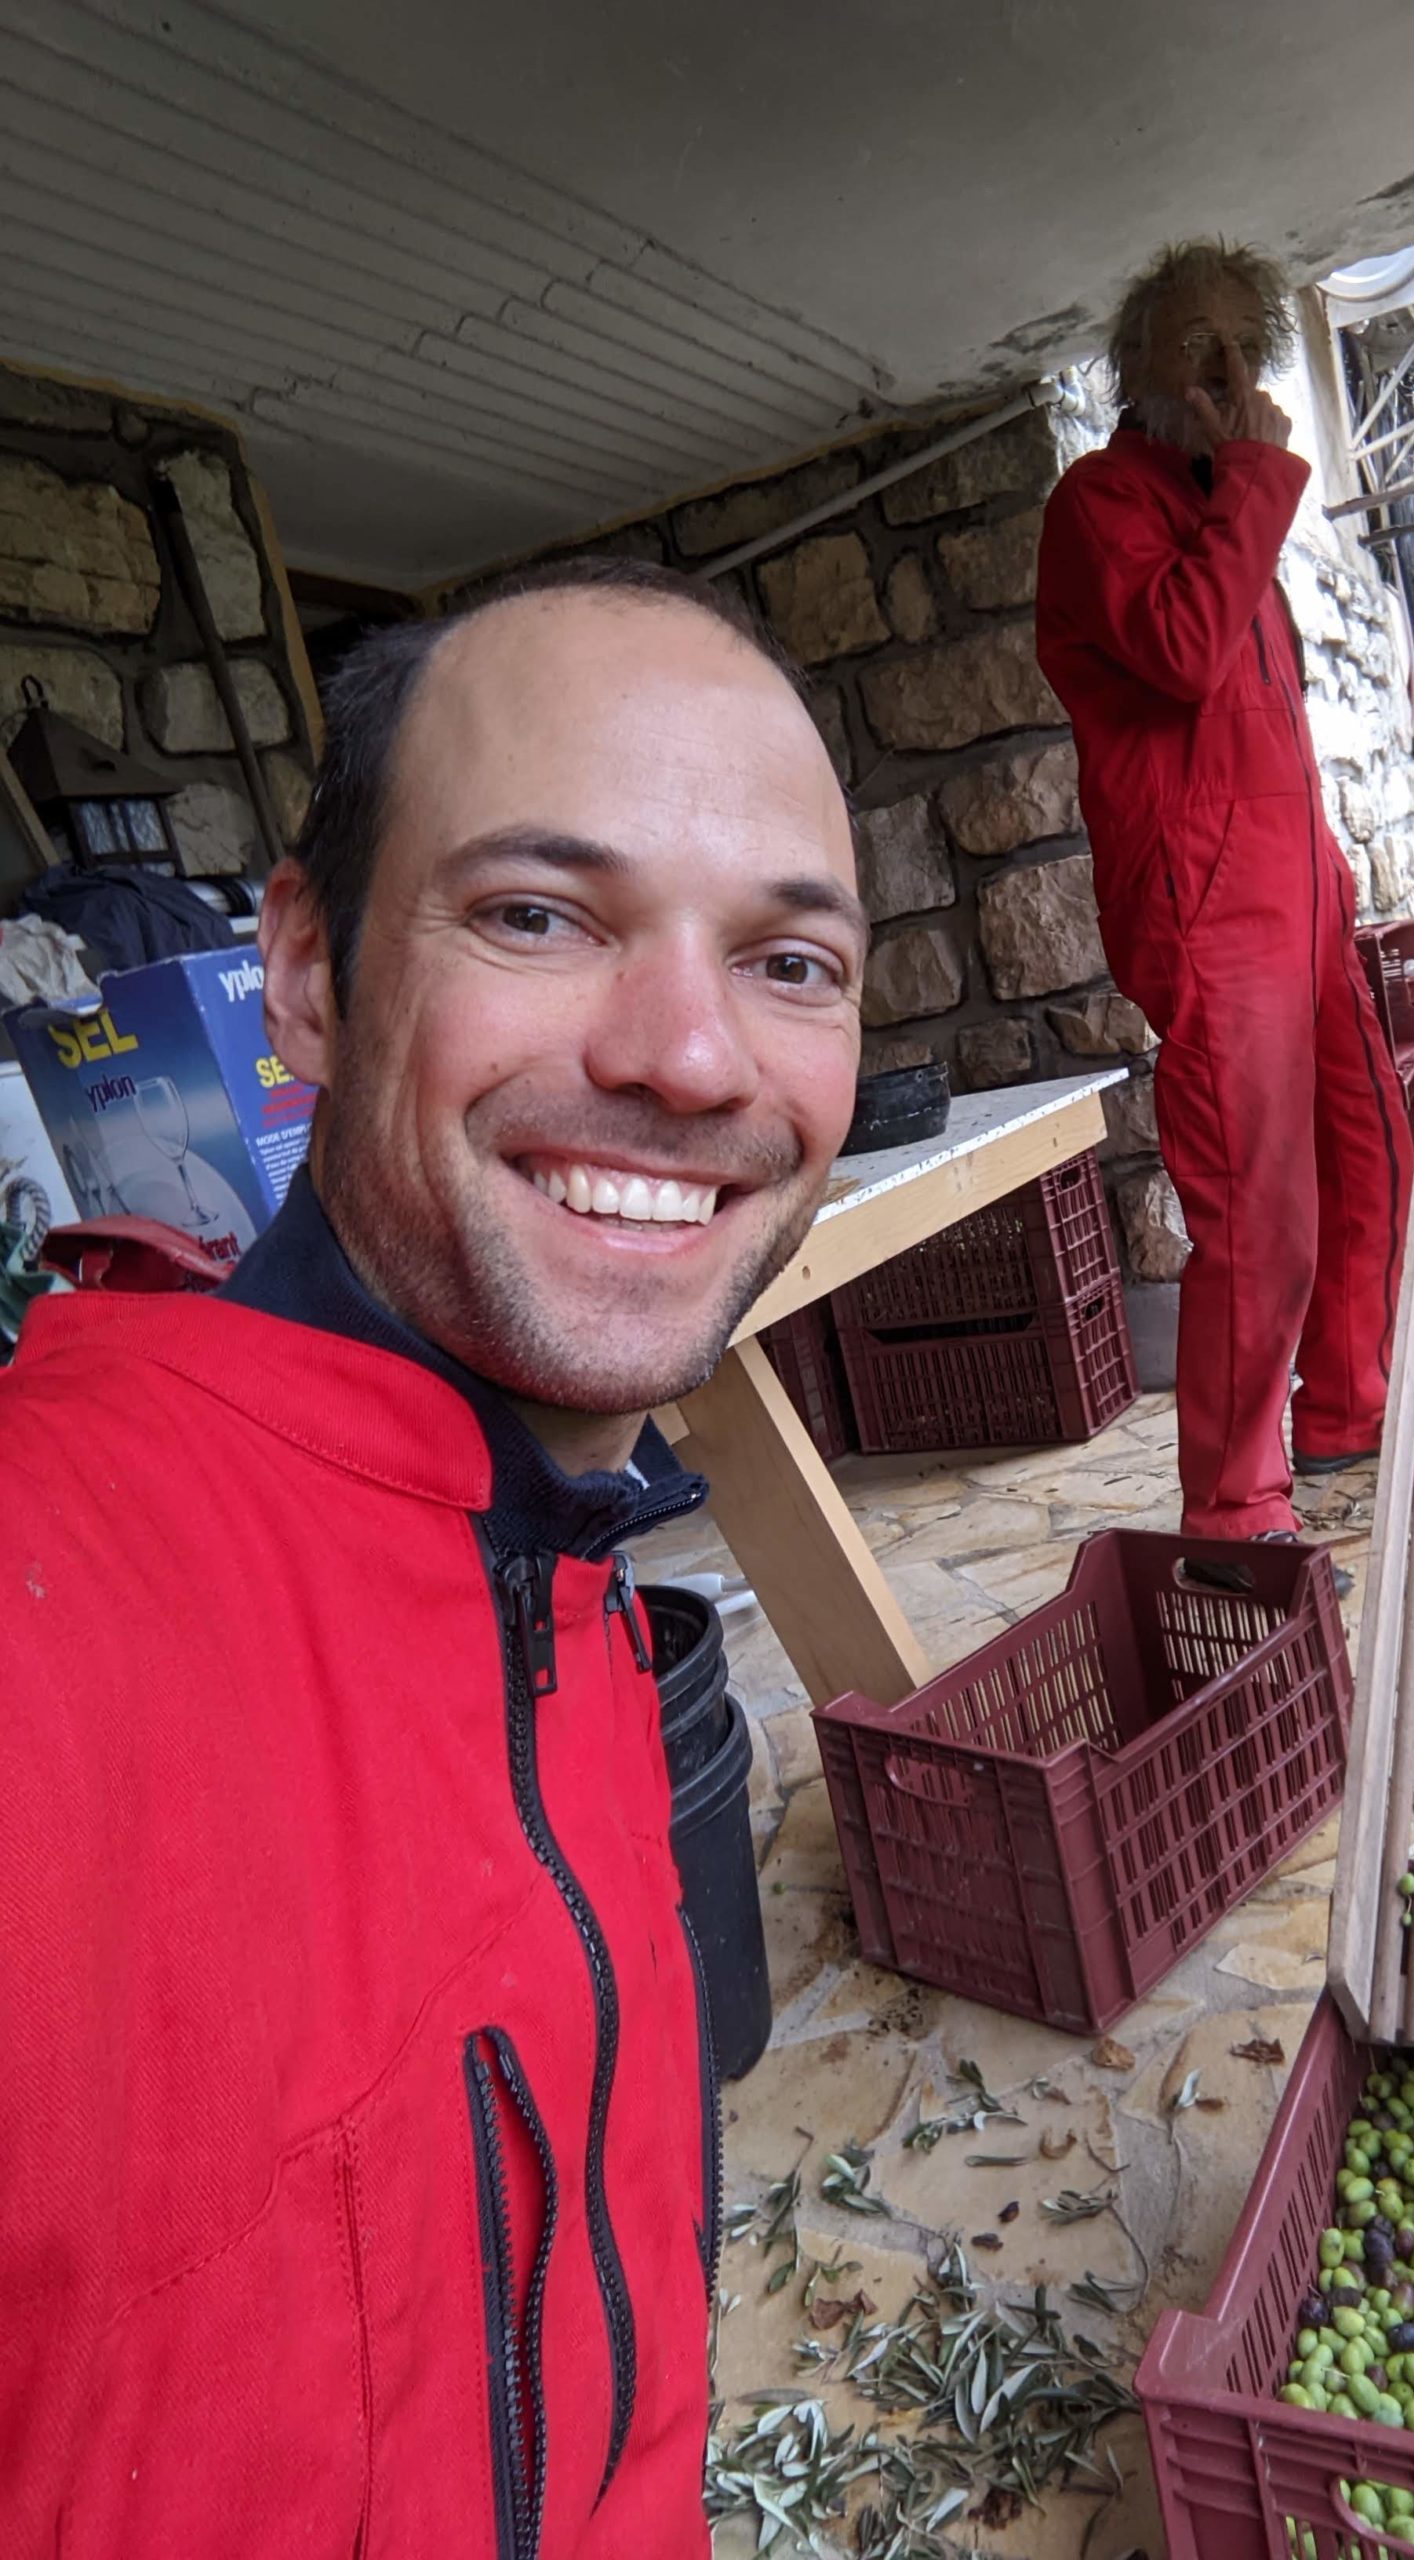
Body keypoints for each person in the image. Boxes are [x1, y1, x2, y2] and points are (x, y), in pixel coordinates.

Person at [0, 558, 865, 2557]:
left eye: (790, 961)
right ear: (307, 976)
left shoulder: (557, 1573)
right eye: (539, 914)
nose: (693, 1057)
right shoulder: (54, 1610)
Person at [1037, 240, 1411, 1541]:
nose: (1222, 371)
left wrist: (1332, 875)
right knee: (1261, 1216)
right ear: (1134, 369)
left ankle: (1350, 1408)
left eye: (1245, 346)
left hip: (1300, 903)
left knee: (1370, 1153)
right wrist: (1255, 474)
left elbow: (1271, 730)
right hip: (1207, 913)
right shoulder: (1100, 505)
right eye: (1195, 346)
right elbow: (1186, 652)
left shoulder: (1226, 511)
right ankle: (1236, 1506)